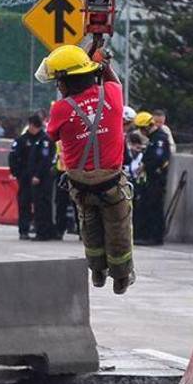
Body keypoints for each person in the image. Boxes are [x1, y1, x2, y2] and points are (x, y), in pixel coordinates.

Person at [42, 44, 135, 294]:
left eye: (58, 81)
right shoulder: (113, 95)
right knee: (119, 227)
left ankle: (97, 271)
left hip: (80, 183)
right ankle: (121, 276)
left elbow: (52, 136)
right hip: (111, 182)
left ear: (66, 81)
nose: (57, 86)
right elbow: (113, 80)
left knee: (89, 225)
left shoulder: (60, 108)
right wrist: (103, 64)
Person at [9, 114, 55, 241]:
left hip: (40, 178)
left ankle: (43, 231)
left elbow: (46, 160)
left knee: (42, 205)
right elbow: (13, 157)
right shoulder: (21, 140)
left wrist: (38, 175)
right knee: (24, 203)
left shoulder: (44, 140)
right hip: (25, 177)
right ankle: (24, 230)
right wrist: (17, 173)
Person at [135, 111, 171, 246]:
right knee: (148, 205)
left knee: (155, 206)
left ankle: (155, 237)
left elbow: (158, 158)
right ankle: (146, 235)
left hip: (157, 178)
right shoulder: (153, 138)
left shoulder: (160, 138)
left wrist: (145, 166)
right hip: (151, 177)